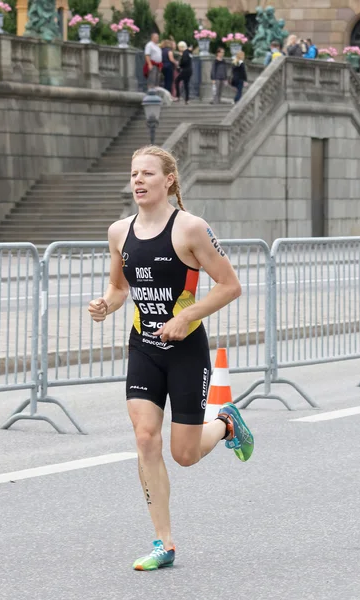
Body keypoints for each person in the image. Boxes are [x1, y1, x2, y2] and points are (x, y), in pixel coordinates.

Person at [88, 145, 255, 571]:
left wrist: (187, 316)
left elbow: (229, 285)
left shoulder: (191, 229)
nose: (138, 180)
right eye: (133, 173)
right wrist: (107, 304)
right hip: (144, 346)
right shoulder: (118, 231)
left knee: (183, 454)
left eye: (147, 173)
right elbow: (121, 287)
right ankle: (164, 542)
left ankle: (225, 423)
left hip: (186, 350)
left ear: (168, 181)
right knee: (145, 437)